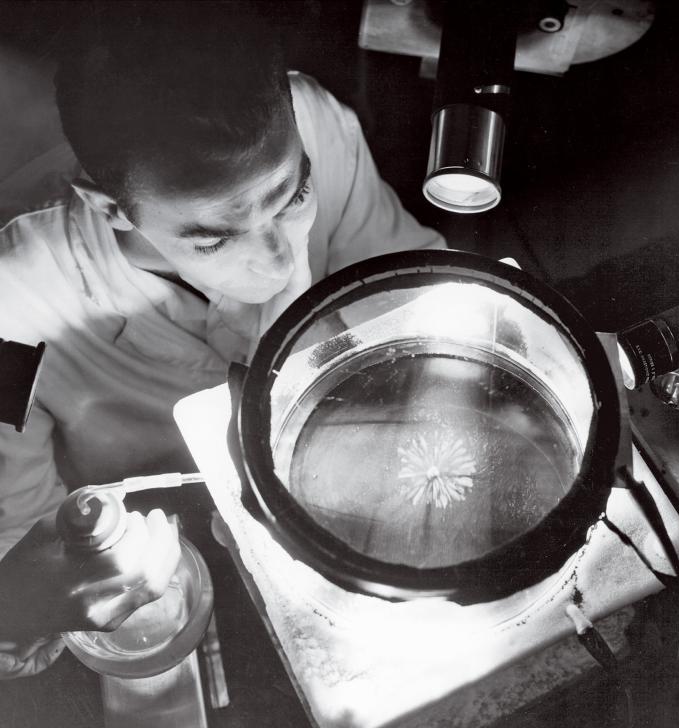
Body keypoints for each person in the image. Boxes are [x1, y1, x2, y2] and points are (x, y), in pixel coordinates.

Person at [0, 4, 444, 678]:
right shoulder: (11, 309)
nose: (275, 261)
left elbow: (415, 288)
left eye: (291, 198)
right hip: (175, 547)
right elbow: (22, 540)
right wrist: (24, 604)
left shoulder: (314, 122)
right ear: (111, 208)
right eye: (215, 237)